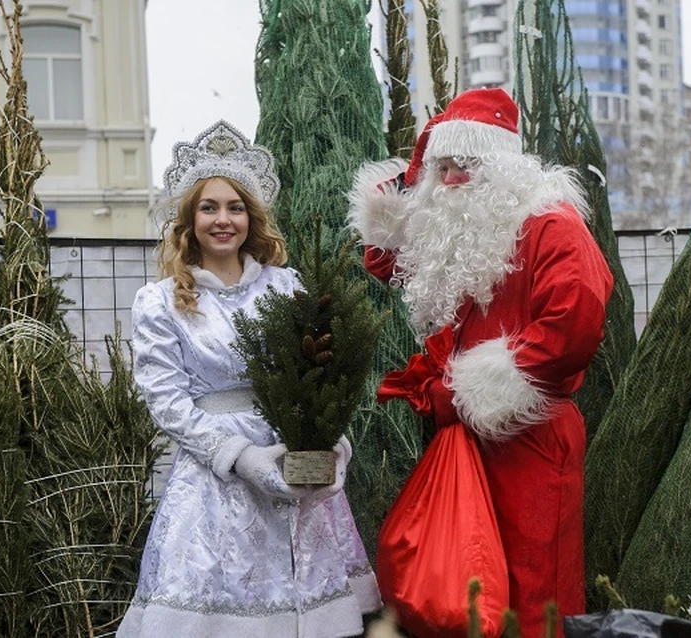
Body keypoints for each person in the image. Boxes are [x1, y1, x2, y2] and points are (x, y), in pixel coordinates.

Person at [348, 88, 613, 637]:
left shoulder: (550, 223)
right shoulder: (463, 229)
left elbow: (575, 320)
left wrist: (474, 390)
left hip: (531, 434)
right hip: (470, 436)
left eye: (465, 164)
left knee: (534, 583)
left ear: (504, 167)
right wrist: (418, 166)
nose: (448, 178)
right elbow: (385, 251)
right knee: (471, 584)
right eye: (441, 166)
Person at [117, 121, 380, 638]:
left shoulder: (286, 286)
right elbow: (167, 402)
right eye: (208, 207)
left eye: (235, 207)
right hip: (215, 482)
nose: (223, 220)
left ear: (251, 216)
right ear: (189, 220)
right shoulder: (160, 300)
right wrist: (241, 457)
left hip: (293, 463)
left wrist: (332, 442)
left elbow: (319, 375)